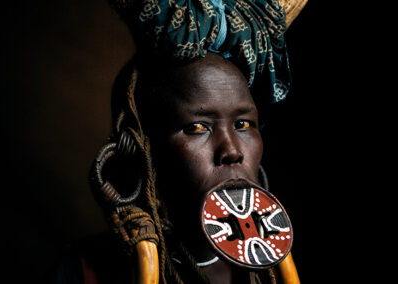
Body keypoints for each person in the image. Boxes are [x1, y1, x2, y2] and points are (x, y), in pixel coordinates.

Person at [47, 0, 306, 283]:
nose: (232, 151)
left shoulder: (273, 271)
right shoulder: (82, 272)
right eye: (197, 127)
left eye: (243, 124)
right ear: (141, 147)